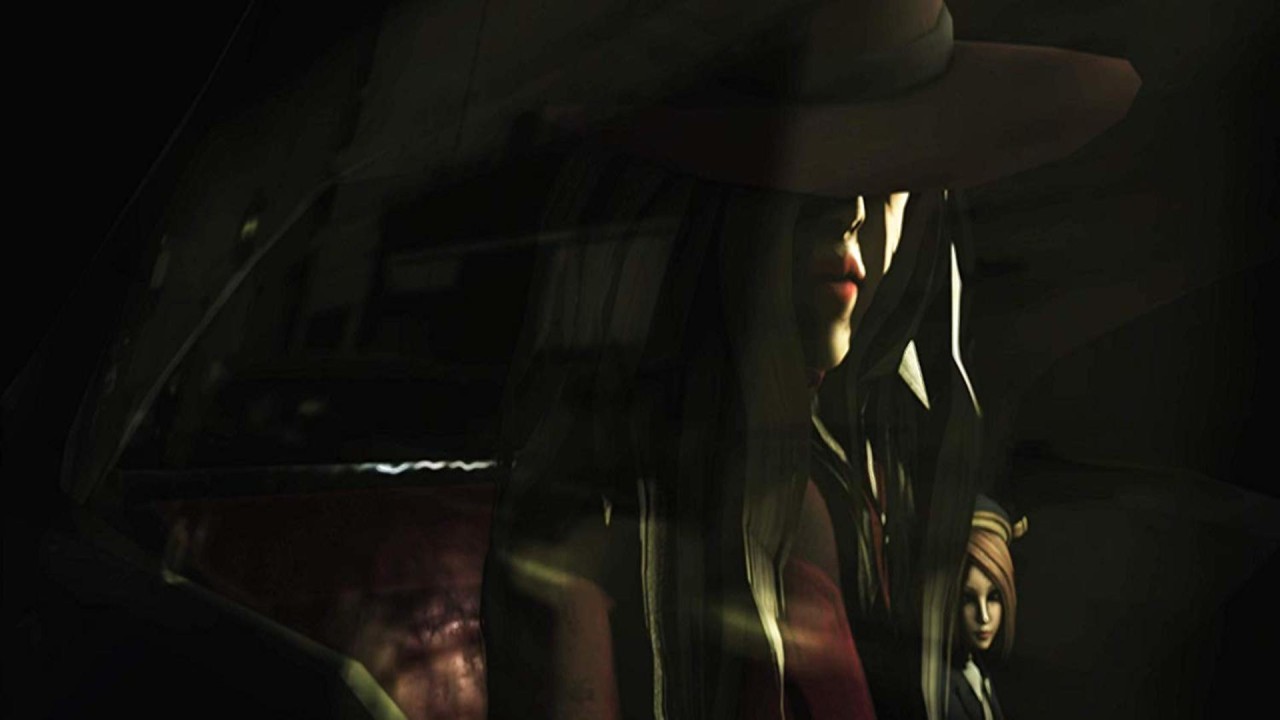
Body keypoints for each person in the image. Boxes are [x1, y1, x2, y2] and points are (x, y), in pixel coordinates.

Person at [480, 2, 1138, 719]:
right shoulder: (609, 512)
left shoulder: (859, 475)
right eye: (808, 177)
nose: (850, 210)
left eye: (889, 173)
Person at [947, 497, 1027, 720]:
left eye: (993, 597)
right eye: (968, 599)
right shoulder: (944, 688)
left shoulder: (980, 671)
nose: (983, 616)